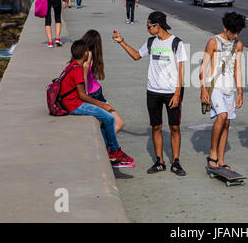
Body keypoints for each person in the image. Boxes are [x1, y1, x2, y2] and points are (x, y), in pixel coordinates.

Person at [112, 11, 188, 176]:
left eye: (149, 26)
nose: (147, 29)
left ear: (157, 25)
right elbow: (136, 56)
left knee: (174, 127)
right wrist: (121, 42)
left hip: (171, 92)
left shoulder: (177, 43)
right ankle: (159, 161)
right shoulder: (151, 42)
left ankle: (176, 162)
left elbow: (182, 71)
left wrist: (177, 93)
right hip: (153, 91)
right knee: (156, 127)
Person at [62, 39, 134, 167]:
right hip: (74, 105)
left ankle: (111, 150)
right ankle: (114, 151)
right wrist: (102, 105)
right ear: (85, 54)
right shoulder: (77, 70)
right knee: (109, 118)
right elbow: (82, 95)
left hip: (70, 102)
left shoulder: (71, 66)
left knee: (106, 119)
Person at [200, 12, 246, 171]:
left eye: (238, 32)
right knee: (222, 116)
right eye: (233, 31)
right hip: (215, 86)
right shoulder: (213, 42)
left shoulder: (238, 44)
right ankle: (212, 155)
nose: (236, 34)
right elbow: (203, 67)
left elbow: (237, 69)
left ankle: (221, 160)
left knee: (226, 123)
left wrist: (240, 92)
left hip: (230, 88)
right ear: (225, 27)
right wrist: (203, 90)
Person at [81, 29, 124, 134]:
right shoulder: (89, 55)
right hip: (92, 96)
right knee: (117, 124)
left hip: (98, 95)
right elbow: (84, 74)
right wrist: (85, 91)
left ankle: (107, 146)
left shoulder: (81, 54)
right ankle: (107, 145)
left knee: (116, 124)